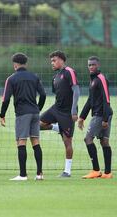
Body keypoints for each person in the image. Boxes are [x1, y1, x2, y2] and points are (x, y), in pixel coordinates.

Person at [0, 53, 46, 181]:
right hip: (35, 113)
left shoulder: (11, 79)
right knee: (35, 142)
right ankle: (39, 174)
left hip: (22, 114)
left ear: (15, 64)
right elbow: (43, 95)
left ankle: (23, 175)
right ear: (26, 64)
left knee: (21, 142)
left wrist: (2, 114)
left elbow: (6, 99)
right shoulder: (34, 77)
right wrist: (38, 108)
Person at [40, 50, 80, 178]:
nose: (52, 63)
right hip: (56, 109)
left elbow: (76, 91)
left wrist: (74, 110)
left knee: (67, 142)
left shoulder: (69, 72)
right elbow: (58, 94)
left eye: (54, 60)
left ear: (62, 60)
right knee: (35, 125)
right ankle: (55, 127)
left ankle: (67, 171)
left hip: (67, 113)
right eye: (51, 61)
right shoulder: (55, 77)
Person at [78, 56, 113, 179]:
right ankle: (107, 173)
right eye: (89, 65)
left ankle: (96, 170)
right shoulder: (93, 80)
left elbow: (106, 100)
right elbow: (90, 100)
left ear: (98, 65)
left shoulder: (101, 78)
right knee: (104, 141)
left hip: (101, 114)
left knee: (88, 139)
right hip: (101, 114)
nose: (91, 67)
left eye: (93, 64)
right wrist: (82, 117)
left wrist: (104, 118)